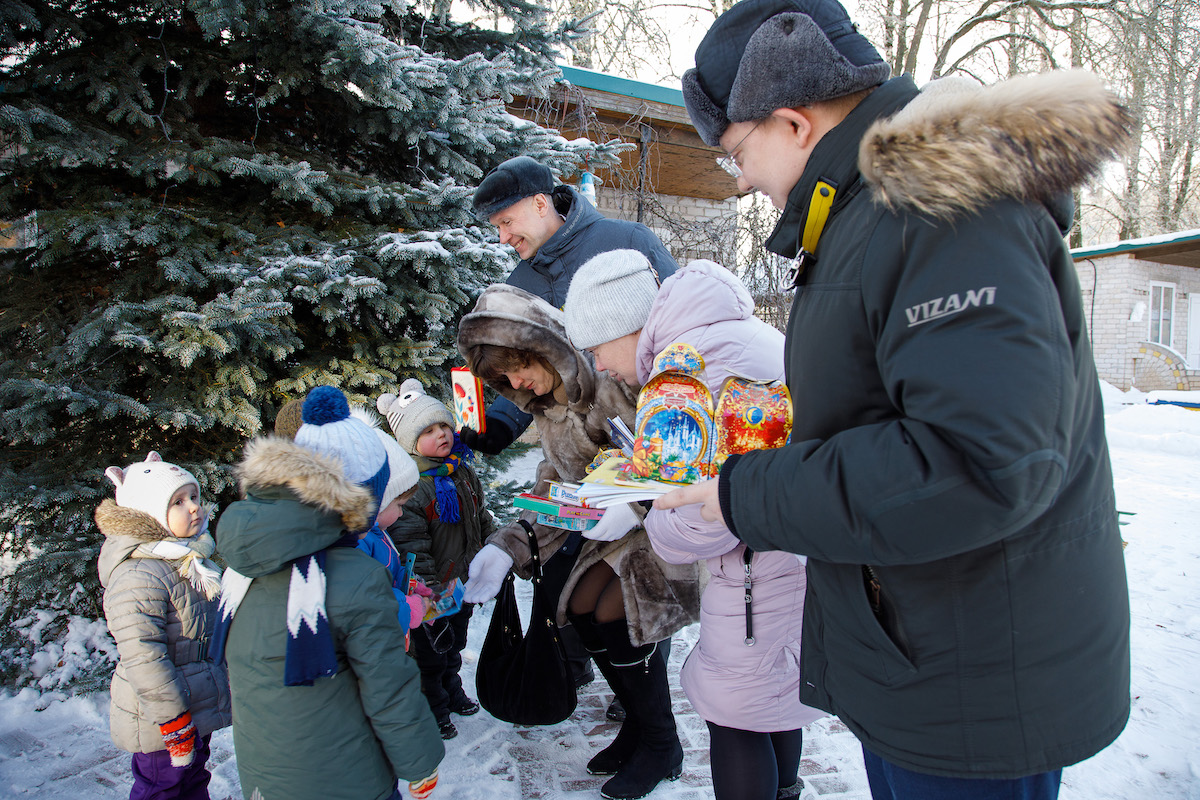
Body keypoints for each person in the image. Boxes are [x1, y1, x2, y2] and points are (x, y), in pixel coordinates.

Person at [655, 1, 1133, 798]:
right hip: (923, 651)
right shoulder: (864, 216)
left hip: (971, 681)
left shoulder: (940, 209)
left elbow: (981, 460)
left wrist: (747, 492)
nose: (738, 180)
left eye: (736, 152)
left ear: (793, 123)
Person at [564, 250, 825, 800]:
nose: (600, 365)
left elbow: (702, 525)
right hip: (794, 561)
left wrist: (650, 509)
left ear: (627, 325)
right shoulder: (737, 336)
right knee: (771, 703)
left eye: (597, 347)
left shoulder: (690, 371)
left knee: (737, 714)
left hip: (757, 577)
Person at [457, 283, 701, 800]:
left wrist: (631, 504)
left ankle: (662, 742)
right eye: (503, 377)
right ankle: (639, 725)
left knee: (614, 612)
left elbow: (671, 459)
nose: (516, 381)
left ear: (546, 347)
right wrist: (508, 546)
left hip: (666, 524)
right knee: (580, 609)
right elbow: (554, 490)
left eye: (518, 364)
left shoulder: (610, 385)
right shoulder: (548, 411)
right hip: (608, 535)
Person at [468, 155, 680, 710]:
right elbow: (527, 384)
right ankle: (610, 675)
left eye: (507, 221)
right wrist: (497, 426)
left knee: (618, 605)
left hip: (639, 445)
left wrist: (644, 486)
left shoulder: (625, 241)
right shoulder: (520, 279)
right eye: (496, 229)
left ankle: (638, 692)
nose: (503, 236)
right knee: (571, 599)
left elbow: (671, 338)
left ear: (541, 202)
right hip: (580, 464)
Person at [213, 386, 443, 800]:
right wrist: (419, 760)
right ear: (365, 497)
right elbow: (387, 683)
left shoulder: (246, 568)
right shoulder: (353, 575)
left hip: (267, 777)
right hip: (348, 778)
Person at [96, 451, 231, 800]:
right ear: (149, 513)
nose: (194, 507)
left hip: (195, 704)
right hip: (160, 717)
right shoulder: (138, 575)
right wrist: (173, 721)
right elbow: (144, 657)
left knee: (194, 779)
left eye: (194, 497)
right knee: (162, 788)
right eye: (178, 501)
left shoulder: (190, 559)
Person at [376, 379, 494, 741]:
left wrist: (493, 544)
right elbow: (411, 542)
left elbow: (480, 515)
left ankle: (452, 690)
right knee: (429, 653)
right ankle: (434, 708)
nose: (441, 434)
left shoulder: (461, 469)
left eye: (443, 425)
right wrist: (426, 589)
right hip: (429, 588)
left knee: (454, 644)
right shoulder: (413, 485)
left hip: (460, 580)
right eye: (428, 431)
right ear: (410, 443)